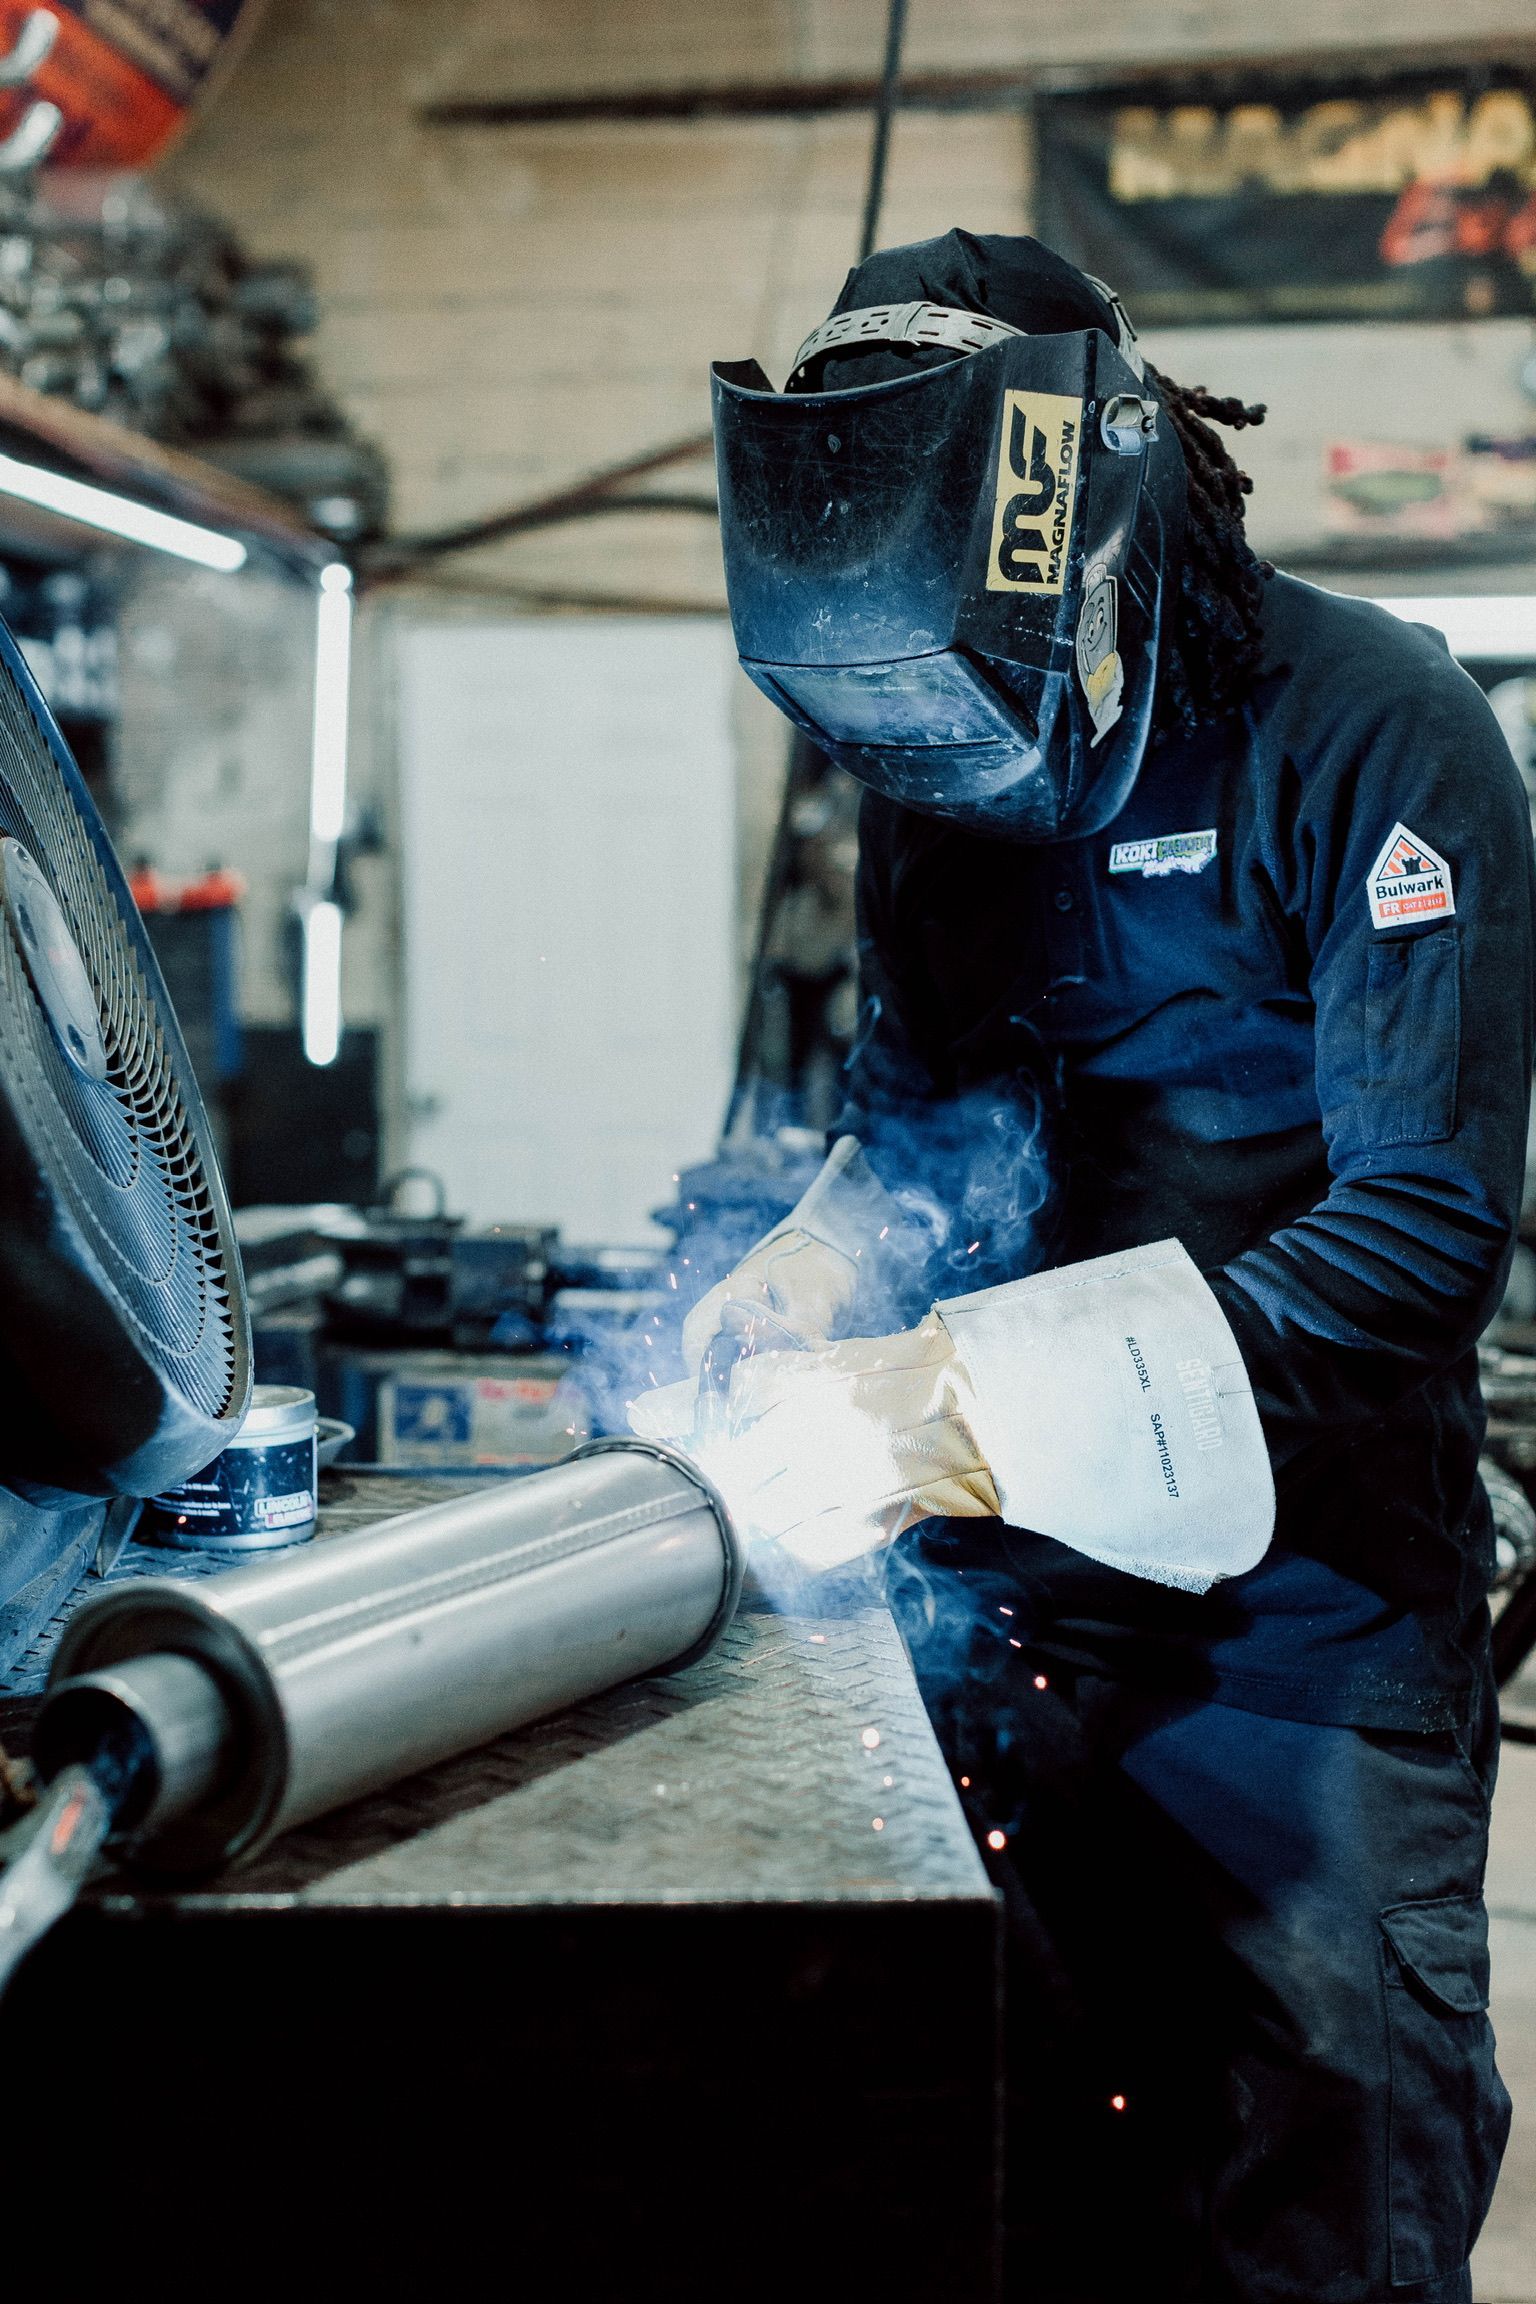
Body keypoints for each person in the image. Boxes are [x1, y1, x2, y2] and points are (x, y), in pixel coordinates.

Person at [633, 230, 1529, 2302]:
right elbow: (915, 1122)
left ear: (1097, 513)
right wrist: (811, 1264)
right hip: (1014, 1638)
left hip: (1298, 1659)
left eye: (974, 715)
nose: (952, 775)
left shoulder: (1371, 726)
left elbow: (1416, 1239)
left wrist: (956, 1401)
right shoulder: (938, 781)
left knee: (1316, 2215)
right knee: (1028, 2207)